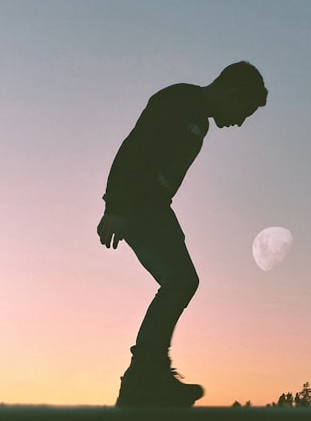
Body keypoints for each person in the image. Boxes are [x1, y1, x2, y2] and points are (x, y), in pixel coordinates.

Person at [96, 61, 268, 407]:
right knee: (180, 281)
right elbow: (134, 147)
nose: (240, 122)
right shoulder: (178, 100)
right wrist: (115, 206)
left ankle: (150, 374)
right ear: (231, 92)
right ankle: (143, 377)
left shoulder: (200, 124)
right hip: (136, 207)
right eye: (243, 111)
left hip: (157, 210)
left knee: (182, 282)